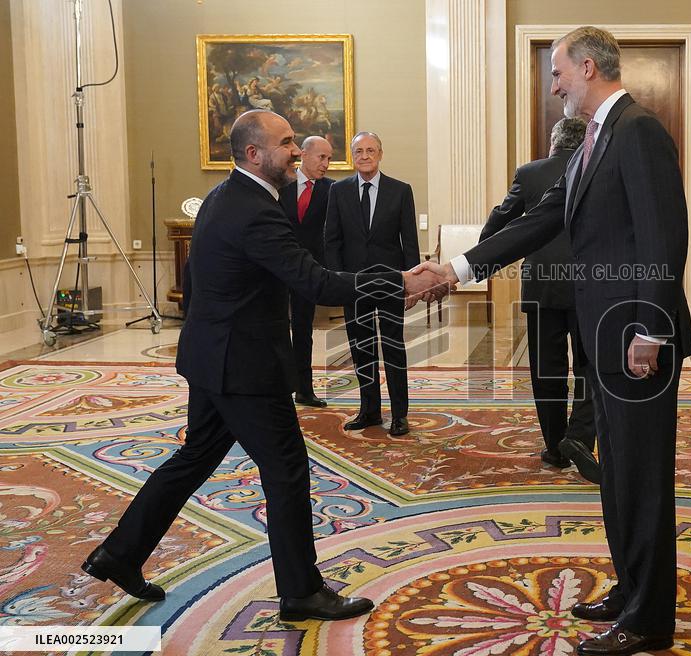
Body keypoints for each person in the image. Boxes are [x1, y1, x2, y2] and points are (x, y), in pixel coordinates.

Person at [81, 110, 446, 621]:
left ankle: (118, 554)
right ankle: (301, 592)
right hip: (244, 367)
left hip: (213, 357)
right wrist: (402, 283)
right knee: (286, 469)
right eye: (287, 143)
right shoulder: (254, 209)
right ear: (255, 153)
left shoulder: (226, 197)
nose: (297, 151)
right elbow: (315, 283)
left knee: (194, 458)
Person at [415, 26, 691, 656]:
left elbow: (664, 236)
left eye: (558, 72)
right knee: (618, 474)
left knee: (643, 477)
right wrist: (457, 271)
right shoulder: (596, 139)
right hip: (607, 335)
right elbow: (543, 218)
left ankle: (650, 617)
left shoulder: (638, 131)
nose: (554, 83)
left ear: (589, 67)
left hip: (634, 336)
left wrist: (651, 328)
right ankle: (631, 589)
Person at [479, 117, 598, 482]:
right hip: (589, 286)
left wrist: (482, 260)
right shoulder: (596, 168)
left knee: (546, 369)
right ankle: (579, 437)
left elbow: (498, 223)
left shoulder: (529, 173)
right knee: (590, 367)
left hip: (541, 285)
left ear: (553, 143)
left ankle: (554, 446)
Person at [326, 132, 420, 437]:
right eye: (358, 151)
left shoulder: (400, 190)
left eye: (370, 150)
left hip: (391, 281)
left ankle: (400, 415)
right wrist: (338, 280)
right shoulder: (338, 191)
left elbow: (410, 242)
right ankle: (369, 411)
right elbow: (332, 240)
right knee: (361, 348)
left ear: (380, 154)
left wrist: (413, 283)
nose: (365, 156)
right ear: (352, 156)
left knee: (393, 348)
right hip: (354, 285)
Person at [279, 136, 335, 408]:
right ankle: (275, 387)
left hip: (308, 271)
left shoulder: (333, 190)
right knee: (274, 328)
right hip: (276, 269)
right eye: (321, 157)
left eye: (329, 159)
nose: (326, 164)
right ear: (304, 154)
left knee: (303, 331)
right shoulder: (281, 185)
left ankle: (304, 389)